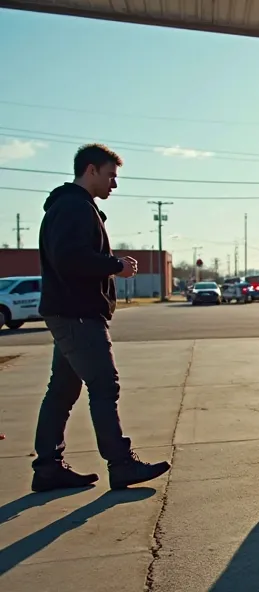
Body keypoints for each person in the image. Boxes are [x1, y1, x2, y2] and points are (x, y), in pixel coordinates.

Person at [32, 143, 171, 493]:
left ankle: (48, 467)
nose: (114, 184)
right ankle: (120, 463)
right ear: (90, 170)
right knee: (104, 385)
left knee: (62, 390)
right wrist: (116, 266)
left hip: (70, 311)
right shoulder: (73, 208)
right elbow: (69, 258)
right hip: (77, 313)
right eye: (110, 175)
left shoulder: (74, 207)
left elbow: (72, 256)